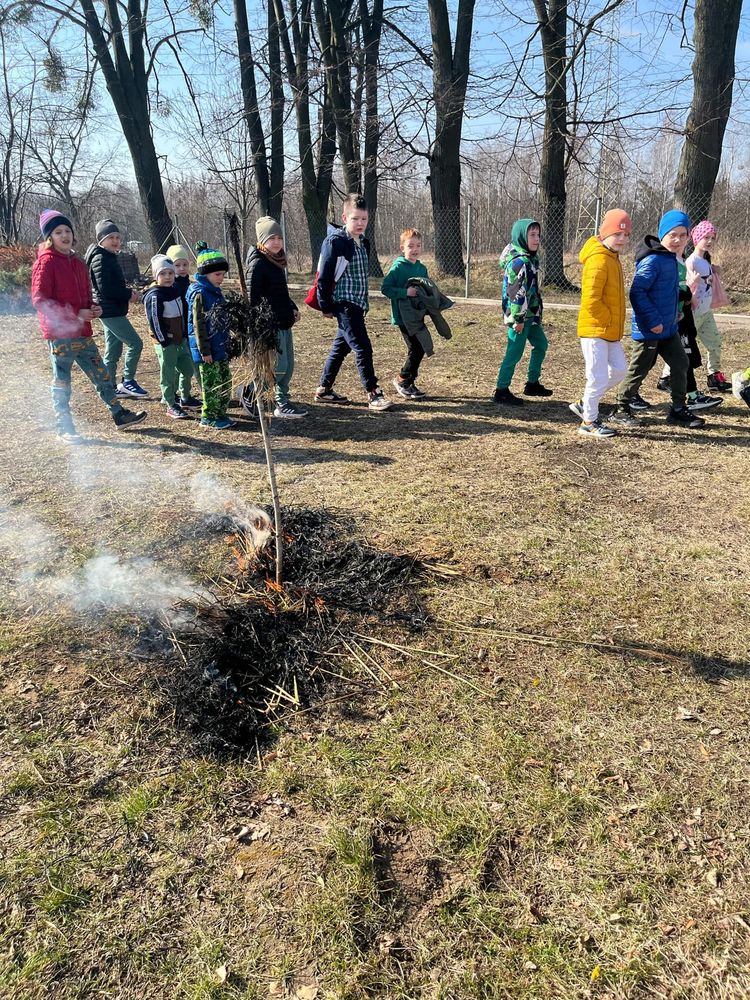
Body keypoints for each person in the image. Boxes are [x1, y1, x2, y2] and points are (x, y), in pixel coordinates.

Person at [31, 209, 146, 443]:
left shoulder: (78, 262)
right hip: (60, 334)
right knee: (62, 381)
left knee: (101, 374)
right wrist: (75, 314)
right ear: (49, 237)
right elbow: (40, 301)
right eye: (58, 232)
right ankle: (64, 426)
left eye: (67, 231)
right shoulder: (46, 263)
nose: (65, 235)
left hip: (82, 332)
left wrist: (93, 308)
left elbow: (85, 294)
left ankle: (119, 414)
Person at [613, 209, 707, 430]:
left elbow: (667, 291)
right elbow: (638, 292)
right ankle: (620, 409)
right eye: (672, 235)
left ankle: (677, 410)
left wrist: (676, 311)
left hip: (668, 327)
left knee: (681, 363)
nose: (677, 240)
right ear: (662, 235)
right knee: (640, 368)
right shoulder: (653, 260)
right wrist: (653, 321)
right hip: (649, 329)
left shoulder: (671, 259)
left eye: (683, 235)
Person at [315, 193, 392, 411]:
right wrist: (325, 305)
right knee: (363, 347)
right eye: (355, 218)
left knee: (340, 348)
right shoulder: (335, 242)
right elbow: (324, 276)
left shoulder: (364, 242)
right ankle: (373, 392)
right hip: (344, 303)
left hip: (358, 304)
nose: (360, 223)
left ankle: (324, 389)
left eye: (364, 219)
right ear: (344, 218)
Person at [569, 209, 632, 438]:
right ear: (605, 233)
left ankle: (585, 403)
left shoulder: (612, 258)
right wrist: (608, 319)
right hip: (595, 329)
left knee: (619, 370)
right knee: (598, 376)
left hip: (608, 330)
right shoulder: (598, 260)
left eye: (626, 235)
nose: (622, 239)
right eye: (617, 234)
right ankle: (589, 422)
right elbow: (591, 300)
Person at [245, 216, 306, 418]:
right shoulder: (258, 264)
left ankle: (283, 399)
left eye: (279, 238)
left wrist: (292, 307)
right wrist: (259, 326)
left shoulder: (276, 261)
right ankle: (253, 393)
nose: (277, 242)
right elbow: (252, 299)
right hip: (270, 325)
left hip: (284, 321)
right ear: (262, 240)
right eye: (271, 238)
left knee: (288, 366)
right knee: (278, 367)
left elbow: (280, 293)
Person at [85, 219, 148, 398]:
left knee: (112, 351)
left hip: (112, 310)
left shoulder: (108, 256)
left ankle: (109, 386)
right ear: (101, 240)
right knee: (135, 343)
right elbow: (106, 289)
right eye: (110, 237)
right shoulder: (101, 259)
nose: (115, 241)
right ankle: (128, 381)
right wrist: (129, 294)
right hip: (110, 311)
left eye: (118, 237)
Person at [494, 218, 552, 406]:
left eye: (538, 235)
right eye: (532, 235)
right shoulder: (519, 262)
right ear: (521, 237)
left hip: (531, 315)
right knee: (514, 352)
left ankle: (532, 384)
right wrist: (518, 319)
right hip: (520, 317)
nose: (536, 239)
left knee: (541, 344)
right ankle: (501, 390)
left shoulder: (530, 258)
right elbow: (516, 292)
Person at [143, 254, 199, 420]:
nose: (167, 277)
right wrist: (164, 341)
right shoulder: (154, 296)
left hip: (180, 339)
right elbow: (155, 321)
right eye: (162, 273)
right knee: (168, 373)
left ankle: (185, 397)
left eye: (170, 273)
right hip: (166, 343)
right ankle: (170, 403)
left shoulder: (175, 290)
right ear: (155, 276)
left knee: (187, 369)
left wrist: (185, 335)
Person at [186, 246, 235, 430]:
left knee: (225, 381)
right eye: (217, 274)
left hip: (219, 347)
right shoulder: (199, 294)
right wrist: (204, 351)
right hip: (208, 352)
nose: (221, 278)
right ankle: (209, 417)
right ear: (205, 274)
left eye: (223, 274)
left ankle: (221, 413)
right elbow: (198, 325)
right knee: (212, 384)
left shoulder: (215, 291)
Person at [381, 228, 433, 399]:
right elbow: (386, 288)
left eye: (418, 245)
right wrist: (405, 293)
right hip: (403, 317)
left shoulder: (421, 268)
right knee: (416, 348)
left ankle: (409, 382)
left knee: (421, 346)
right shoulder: (398, 267)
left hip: (417, 315)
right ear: (402, 248)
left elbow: (426, 288)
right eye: (411, 246)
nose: (415, 249)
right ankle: (402, 379)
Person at [686, 221, 730, 392]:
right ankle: (667, 377)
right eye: (706, 237)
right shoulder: (691, 261)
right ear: (697, 238)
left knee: (715, 343)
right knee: (685, 345)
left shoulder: (705, 261)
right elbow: (687, 285)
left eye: (712, 238)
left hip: (706, 313)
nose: (710, 241)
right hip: (694, 313)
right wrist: (693, 282)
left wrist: (714, 270)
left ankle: (714, 376)